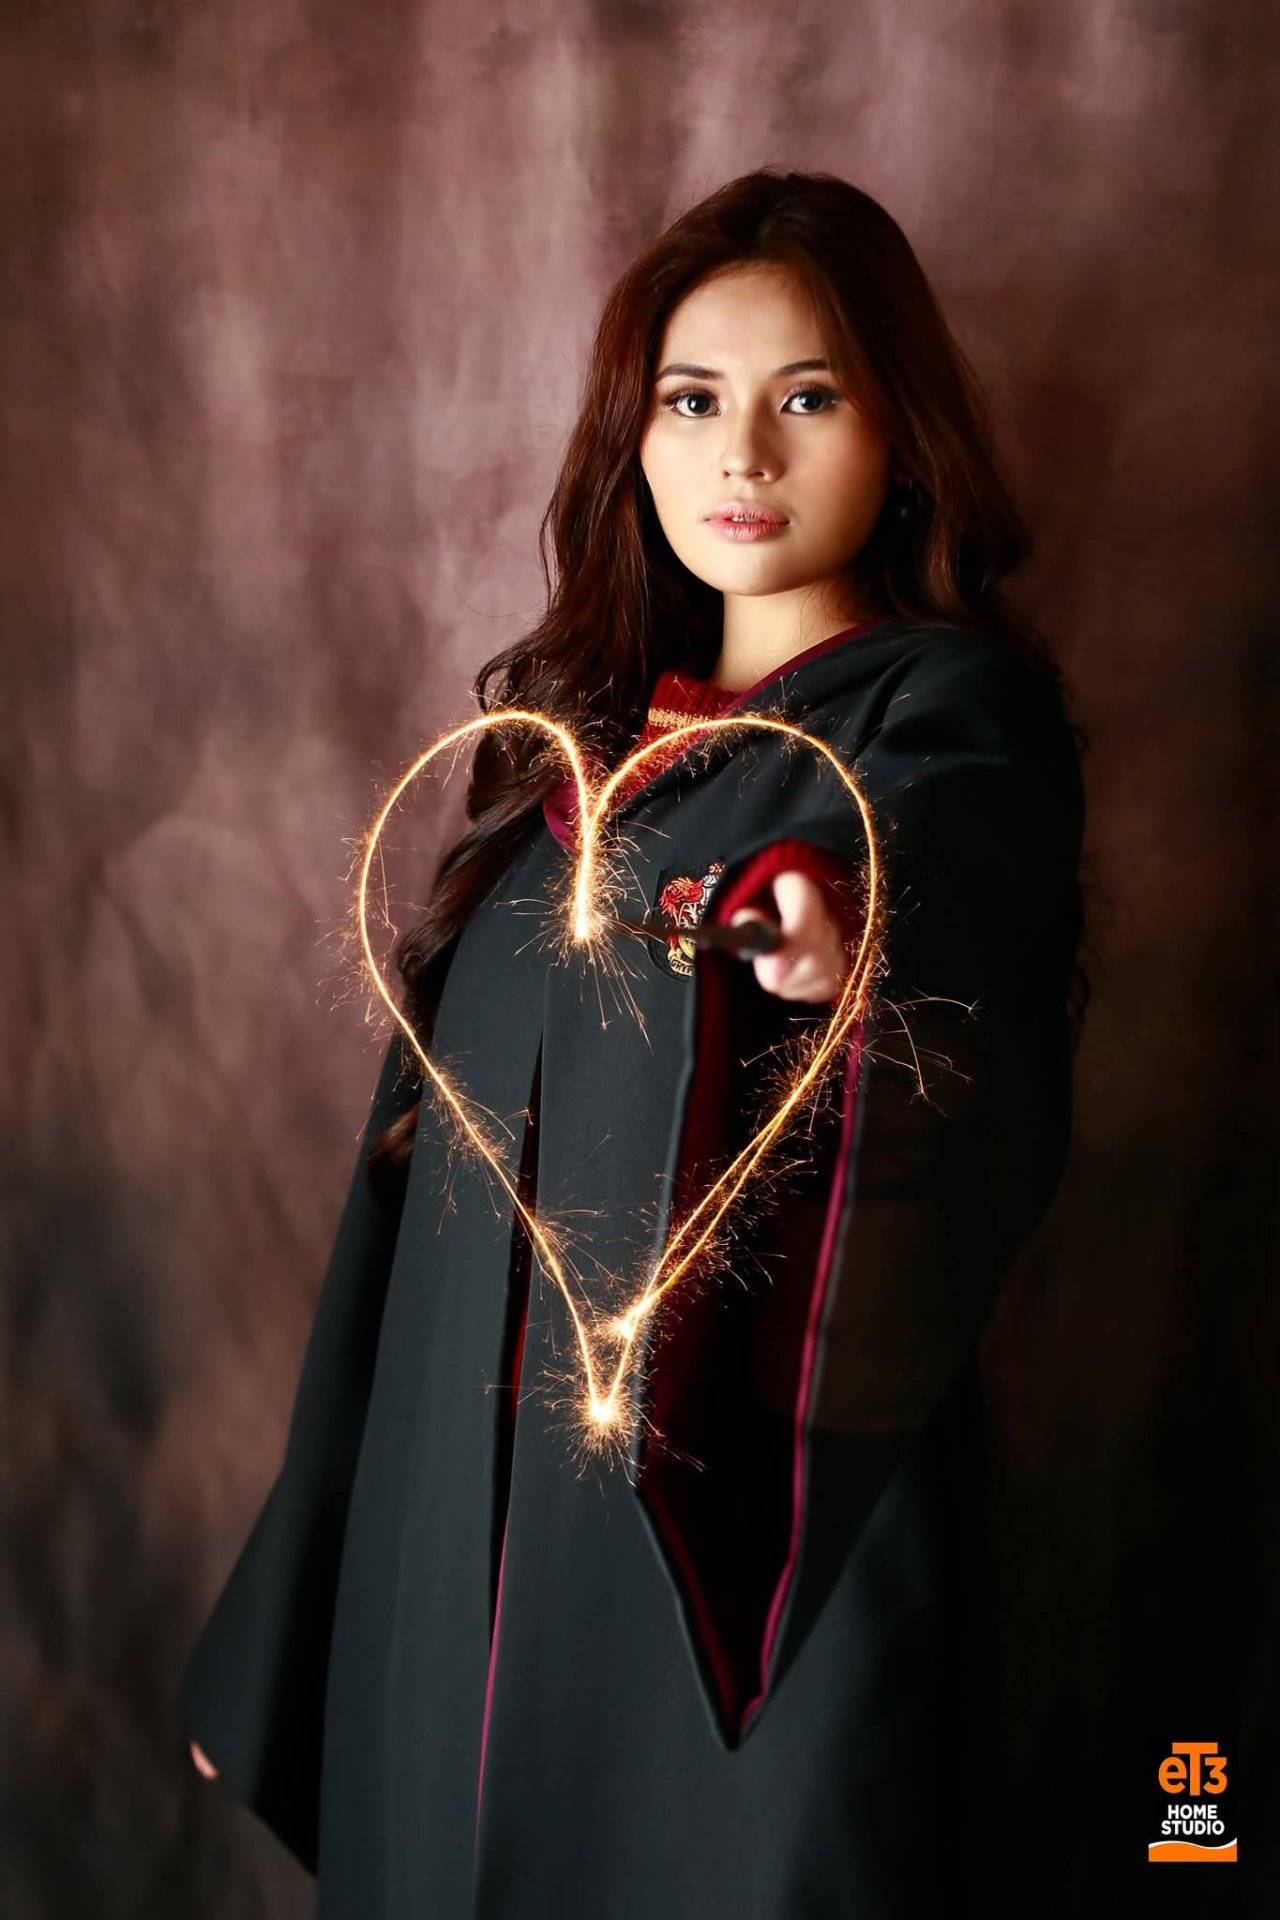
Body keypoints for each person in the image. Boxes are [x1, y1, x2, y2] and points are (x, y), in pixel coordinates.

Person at [178, 168, 1089, 1917]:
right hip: (449, 1590)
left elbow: (935, 875)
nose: (742, 454)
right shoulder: (562, 788)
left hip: (722, 1615)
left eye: (806, 399)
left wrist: (829, 924)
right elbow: (402, 1230)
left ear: (900, 437)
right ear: (637, 442)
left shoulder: (941, 721)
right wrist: (291, 1619)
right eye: (692, 400)